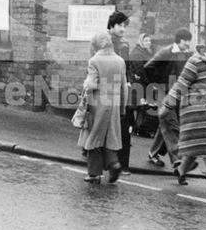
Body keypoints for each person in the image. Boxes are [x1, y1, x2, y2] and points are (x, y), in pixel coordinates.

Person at [161, 32, 206, 194]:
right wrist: (167, 107)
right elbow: (181, 85)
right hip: (194, 110)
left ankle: (180, 171)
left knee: (196, 147)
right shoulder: (194, 62)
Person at [77, 31, 128, 184]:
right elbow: (123, 87)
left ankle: (94, 174)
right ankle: (114, 164)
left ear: (97, 45)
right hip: (114, 105)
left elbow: (91, 85)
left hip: (97, 104)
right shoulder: (120, 61)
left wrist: (85, 86)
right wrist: (122, 109)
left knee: (93, 137)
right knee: (109, 137)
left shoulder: (94, 61)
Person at [142, 27, 193, 167]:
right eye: (186, 41)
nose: (188, 43)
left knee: (164, 123)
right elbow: (148, 67)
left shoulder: (186, 54)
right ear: (178, 40)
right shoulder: (167, 52)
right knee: (171, 123)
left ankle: (153, 153)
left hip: (177, 92)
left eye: (190, 41)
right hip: (163, 93)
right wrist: (158, 83)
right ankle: (178, 160)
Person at [106, 11, 135, 174]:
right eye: (120, 25)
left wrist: (128, 84)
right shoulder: (103, 42)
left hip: (122, 89)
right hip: (106, 89)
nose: (123, 29)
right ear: (112, 25)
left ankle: (122, 164)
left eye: (125, 26)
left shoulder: (125, 45)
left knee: (124, 126)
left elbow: (127, 68)